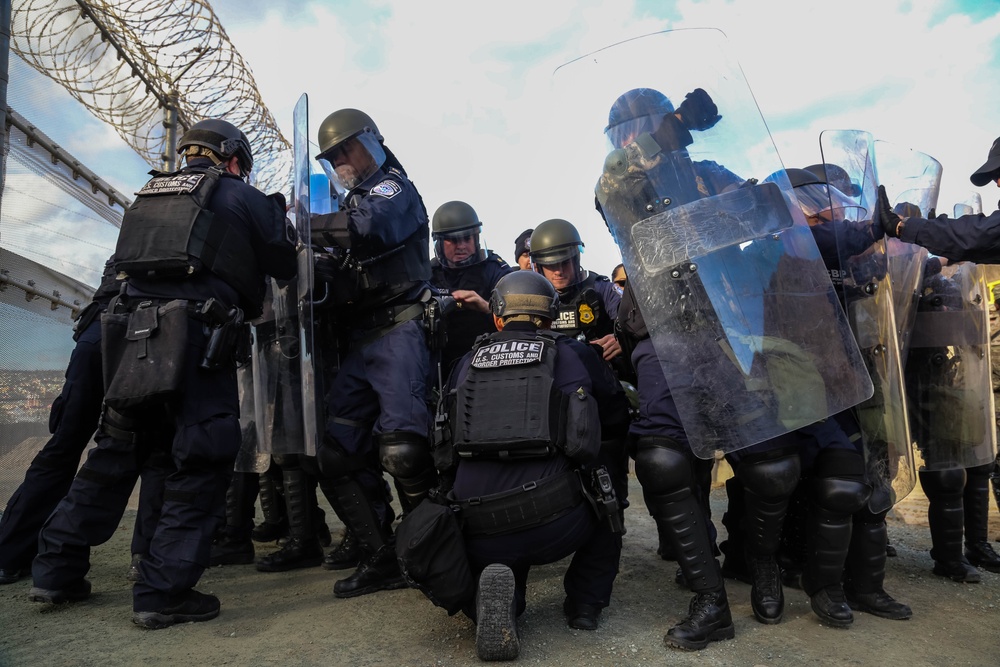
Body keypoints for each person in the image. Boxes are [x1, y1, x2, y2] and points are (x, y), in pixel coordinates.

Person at [28, 118, 297, 629]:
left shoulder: (148, 193)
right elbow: (283, 264)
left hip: (131, 338)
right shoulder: (239, 194)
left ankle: (55, 570)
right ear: (234, 157)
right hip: (197, 339)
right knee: (201, 455)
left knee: (114, 453)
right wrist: (277, 215)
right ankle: (162, 592)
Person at [401, 270, 630, 661]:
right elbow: (613, 417)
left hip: (479, 526)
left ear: (496, 317)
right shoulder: (575, 354)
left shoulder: (464, 363)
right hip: (556, 521)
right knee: (609, 494)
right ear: (551, 316)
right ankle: (585, 606)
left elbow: (443, 448)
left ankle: (500, 599)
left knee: (498, 550)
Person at [309, 107, 439, 598]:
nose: (340, 160)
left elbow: (367, 228)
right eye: (332, 156)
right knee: (336, 449)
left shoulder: (392, 189)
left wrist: (303, 227)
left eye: (346, 148)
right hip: (361, 340)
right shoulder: (351, 204)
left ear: (371, 143)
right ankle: (382, 554)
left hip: (400, 328)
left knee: (404, 451)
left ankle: (432, 553)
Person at [429, 200, 514, 378]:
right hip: (441, 363)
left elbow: (517, 322)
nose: (461, 246)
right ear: (439, 243)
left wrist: (486, 308)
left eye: (467, 238)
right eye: (453, 240)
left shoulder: (496, 270)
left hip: (490, 359)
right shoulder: (429, 274)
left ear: (476, 238)